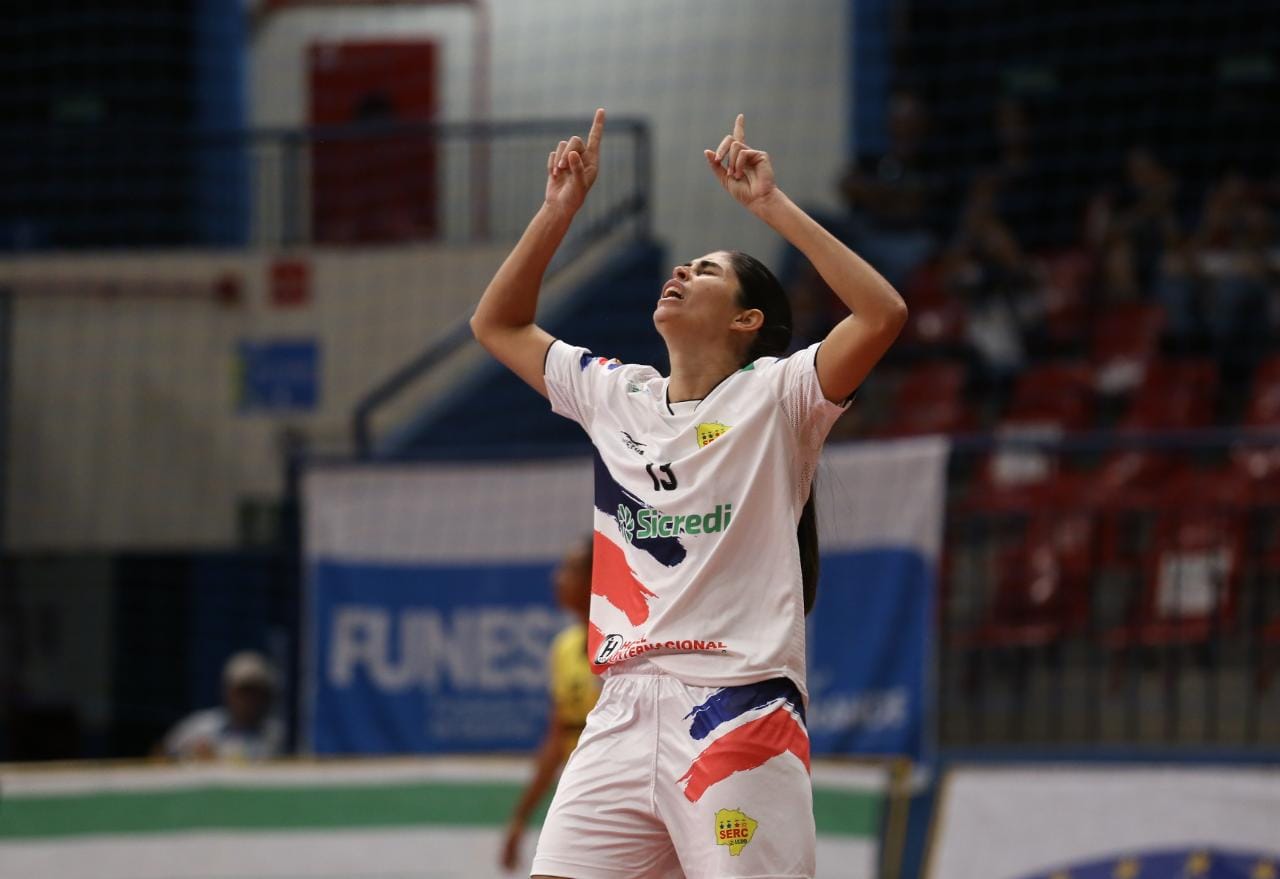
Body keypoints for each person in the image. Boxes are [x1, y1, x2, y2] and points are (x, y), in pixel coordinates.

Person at [470, 109, 906, 879]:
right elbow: (497, 323)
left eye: (706, 271)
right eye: (684, 266)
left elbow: (882, 313)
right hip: (620, 707)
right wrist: (557, 212)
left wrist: (772, 209)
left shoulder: (779, 396)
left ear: (747, 319)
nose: (681, 272)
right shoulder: (616, 394)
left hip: (736, 708)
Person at [500, 537, 600, 872]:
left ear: (596, 578)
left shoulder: (625, 647)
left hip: (622, 793)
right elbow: (557, 739)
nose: (558, 578)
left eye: (571, 569)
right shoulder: (565, 647)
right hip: (581, 793)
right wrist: (520, 818)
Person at [159, 650, 284, 762]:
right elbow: (159, 756)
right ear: (228, 692)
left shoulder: (278, 736)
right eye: (243, 691)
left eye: (257, 692)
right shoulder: (199, 726)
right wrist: (189, 757)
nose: (249, 699)